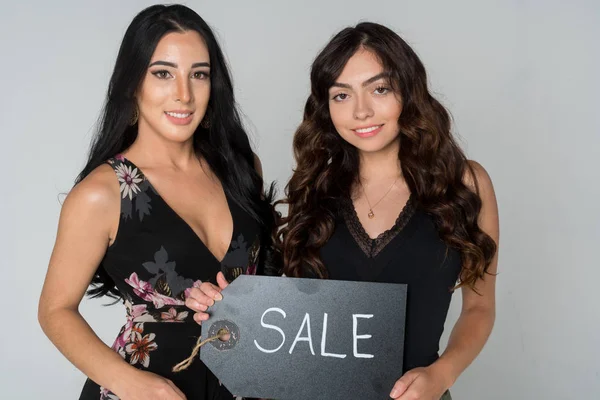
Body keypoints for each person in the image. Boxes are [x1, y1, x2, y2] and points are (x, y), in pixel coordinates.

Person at [187, 22, 499, 400]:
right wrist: (225, 307)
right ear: (326, 106)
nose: (361, 111)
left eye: (379, 89)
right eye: (341, 96)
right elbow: (292, 323)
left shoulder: (464, 184)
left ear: (409, 91)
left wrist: (443, 374)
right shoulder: (314, 190)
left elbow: (479, 308)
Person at [37, 4, 273, 400]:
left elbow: (263, 283)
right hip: (147, 389)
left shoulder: (243, 169)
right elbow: (55, 310)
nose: (184, 94)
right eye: (163, 73)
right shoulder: (104, 192)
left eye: (198, 74)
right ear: (133, 84)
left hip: (243, 384)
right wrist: (131, 383)